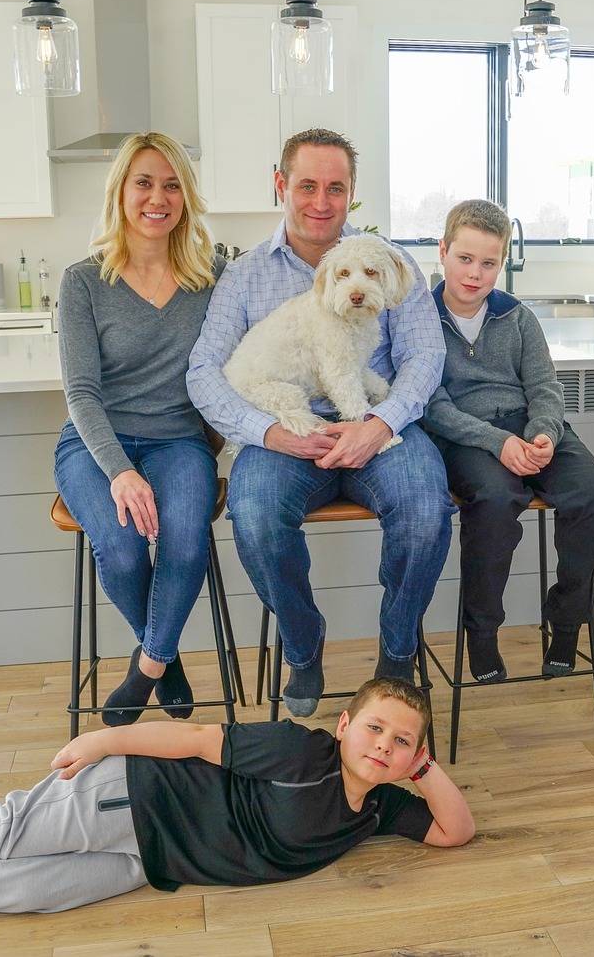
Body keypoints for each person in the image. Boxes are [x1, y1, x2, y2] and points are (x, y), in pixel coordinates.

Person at [0, 678, 475, 914]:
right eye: (375, 727)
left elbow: (455, 831)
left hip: (151, 861)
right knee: (4, 833)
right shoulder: (303, 751)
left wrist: (423, 770)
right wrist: (102, 741)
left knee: (26, 892)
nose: (384, 745)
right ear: (345, 725)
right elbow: (197, 739)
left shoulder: (378, 809)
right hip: (135, 795)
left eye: (401, 742)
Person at [187, 128, 454, 718]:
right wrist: (269, 432)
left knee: (426, 510)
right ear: (280, 185)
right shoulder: (244, 275)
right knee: (254, 515)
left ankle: (396, 654)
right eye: (307, 185)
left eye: (336, 188)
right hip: (285, 434)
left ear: (352, 193)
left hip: (378, 428)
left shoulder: (389, 263)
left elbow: (424, 356)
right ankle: (304, 646)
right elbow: (204, 372)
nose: (321, 201)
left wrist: (379, 423)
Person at [53, 132, 225, 725]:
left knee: (186, 540)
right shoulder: (83, 281)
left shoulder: (214, 277)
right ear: (120, 192)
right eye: (144, 183)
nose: (158, 198)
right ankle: (165, 657)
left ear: (187, 197)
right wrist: (120, 472)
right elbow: (81, 393)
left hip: (179, 440)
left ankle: (147, 664)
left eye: (172, 185)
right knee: (123, 552)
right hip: (95, 443)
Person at [424, 200, 594, 682]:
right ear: (443, 252)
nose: (475, 273)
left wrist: (543, 433)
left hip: (530, 427)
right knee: (495, 500)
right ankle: (482, 632)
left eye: (489, 263)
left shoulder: (518, 316)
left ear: (502, 263)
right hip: (466, 437)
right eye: (465, 259)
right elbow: (432, 407)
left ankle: (567, 625)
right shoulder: (419, 319)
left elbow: (546, 388)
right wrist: (498, 443)